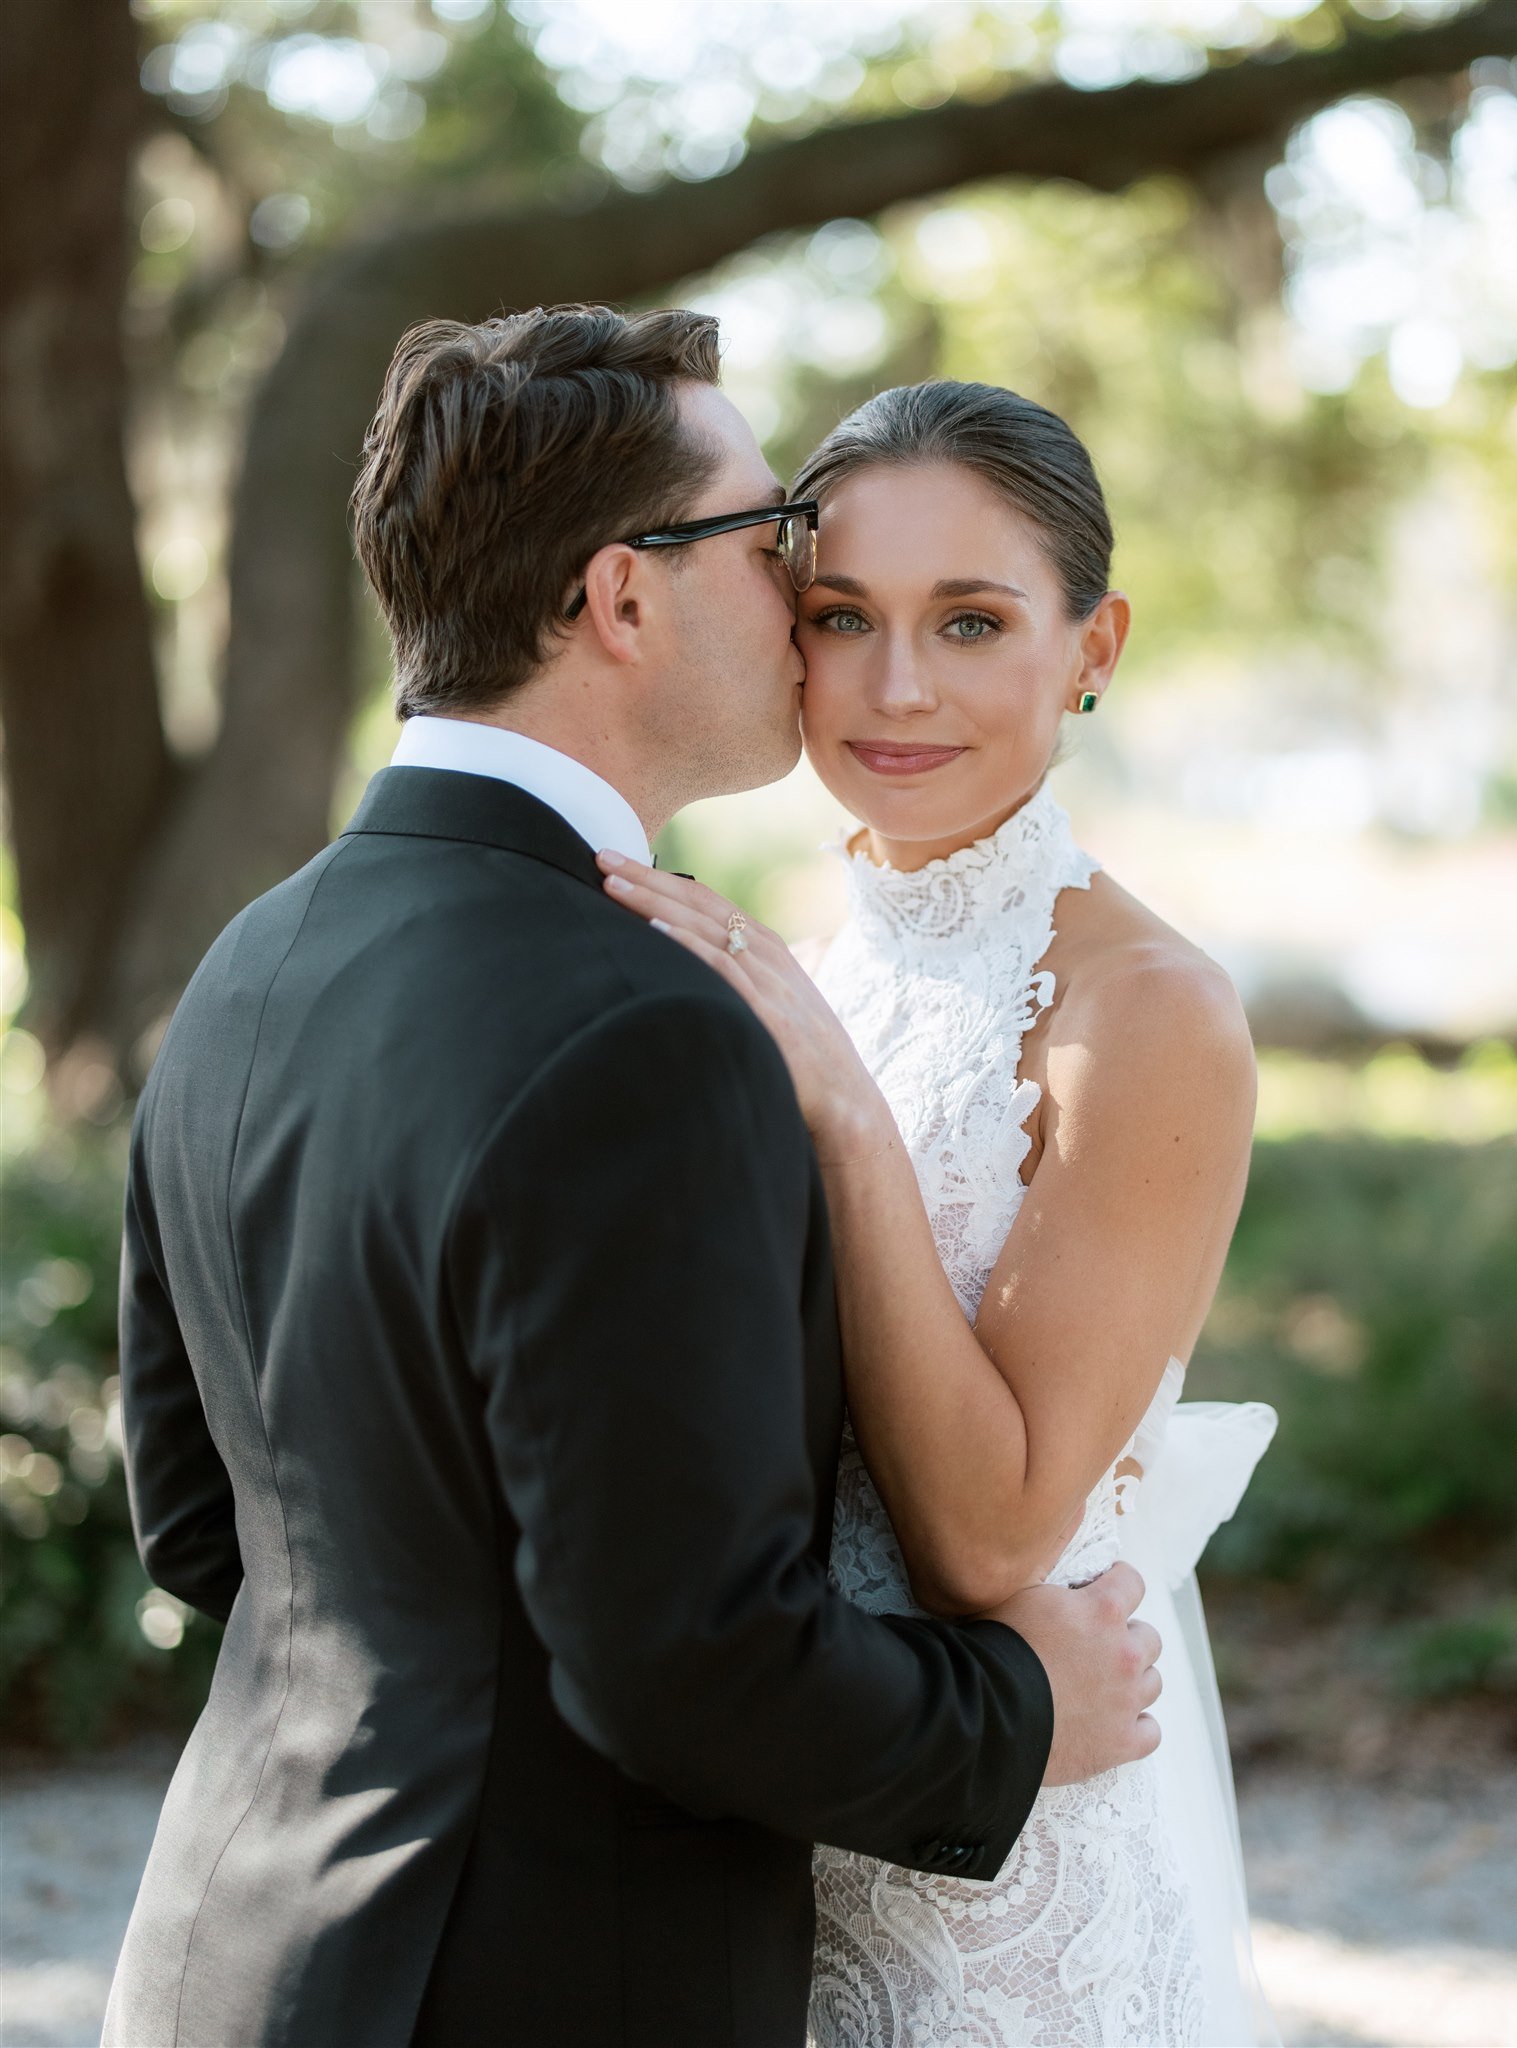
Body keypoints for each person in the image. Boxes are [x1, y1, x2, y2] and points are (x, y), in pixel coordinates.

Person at [101, 312, 1164, 2048]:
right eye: (772, 542)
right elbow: (688, 1666)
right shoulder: (645, 1032)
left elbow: (207, 1528)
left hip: (236, 1952)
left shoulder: (252, 959)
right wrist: (1019, 1704)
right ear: (622, 596)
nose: (800, 590)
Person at [596, 380, 1280, 2046]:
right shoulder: (809, 971)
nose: (897, 688)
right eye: (844, 617)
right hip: (786, 1843)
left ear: (1092, 645)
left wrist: (837, 1111)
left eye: (971, 622)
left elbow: (992, 1535)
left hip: (1009, 1905)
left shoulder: (1145, 1013)